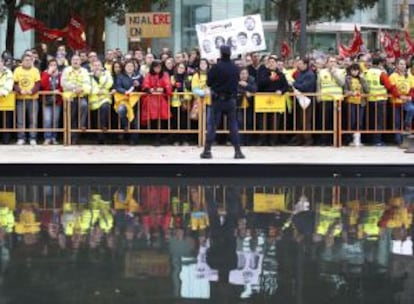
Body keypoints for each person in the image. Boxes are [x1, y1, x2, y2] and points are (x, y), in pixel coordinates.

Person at [200, 45, 245, 159]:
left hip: (217, 99)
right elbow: (236, 82)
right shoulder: (235, 68)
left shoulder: (216, 67)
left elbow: (209, 83)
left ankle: (207, 150)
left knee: (212, 125)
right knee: (233, 125)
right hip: (231, 100)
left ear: (220, 53)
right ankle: (238, 151)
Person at [61, 54, 91, 144]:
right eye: (74, 59)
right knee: (71, 117)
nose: (75, 61)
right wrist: (74, 88)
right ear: (71, 61)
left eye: (77, 59)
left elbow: (87, 83)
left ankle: (81, 125)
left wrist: (81, 89)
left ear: (80, 61)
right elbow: (64, 83)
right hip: (70, 97)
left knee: (84, 105)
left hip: (81, 95)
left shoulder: (84, 71)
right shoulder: (66, 70)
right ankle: (71, 138)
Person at [13, 54, 41, 145]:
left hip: (33, 99)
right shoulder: (17, 70)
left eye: (29, 60)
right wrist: (20, 91)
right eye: (26, 60)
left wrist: (31, 91)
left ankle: (32, 138)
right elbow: (15, 83)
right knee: (20, 120)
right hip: (21, 99)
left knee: (33, 120)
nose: (28, 61)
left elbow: (38, 84)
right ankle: (21, 138)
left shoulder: (35, 70)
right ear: (22, 61)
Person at [88, 60, 114, 144]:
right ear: (92, 67)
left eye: (99, 65)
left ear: (102, 66)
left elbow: (109, 83)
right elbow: (87, 87)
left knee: (104, 108)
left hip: (105, 98)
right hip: (93, 100)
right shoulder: (88, 76)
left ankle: (102, 133)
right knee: (96, 118)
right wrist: (97, 91)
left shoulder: (107, 74)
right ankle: (98, 136)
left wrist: (100, 77)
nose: (97, 67)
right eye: (95, 65)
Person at [344, 63, 369, 147]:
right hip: (351, 102)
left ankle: (358, 138)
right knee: (352, 121)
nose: (355, 72)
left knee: (360, 121)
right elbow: (345, 91)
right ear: (350, 71)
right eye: (353, 70)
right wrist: (351, 93)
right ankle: (350, 139)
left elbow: (367, 90)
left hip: (361, 102)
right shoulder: (347, 79)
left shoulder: (361, 79)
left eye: (356, 70)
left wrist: (363, 80)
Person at [40, 59, 62, 145]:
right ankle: (47, 137)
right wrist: (48, 73)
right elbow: (42, 85)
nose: (53, 66)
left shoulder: (60, 74)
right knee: (47, 119)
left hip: (57, 100)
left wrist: (58, 90)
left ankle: (54, 137)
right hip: (47, 100)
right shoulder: (45, 73)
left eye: (55, 65)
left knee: (55, 120)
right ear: (48, 66)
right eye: (51, 64)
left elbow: (62, 86)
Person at [0, 56, 14, 144]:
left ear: (3, 63)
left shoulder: (8, 72)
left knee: (6, 121)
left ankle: (6, 140)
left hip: (5, 100)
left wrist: (3, 92)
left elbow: (9, 83)